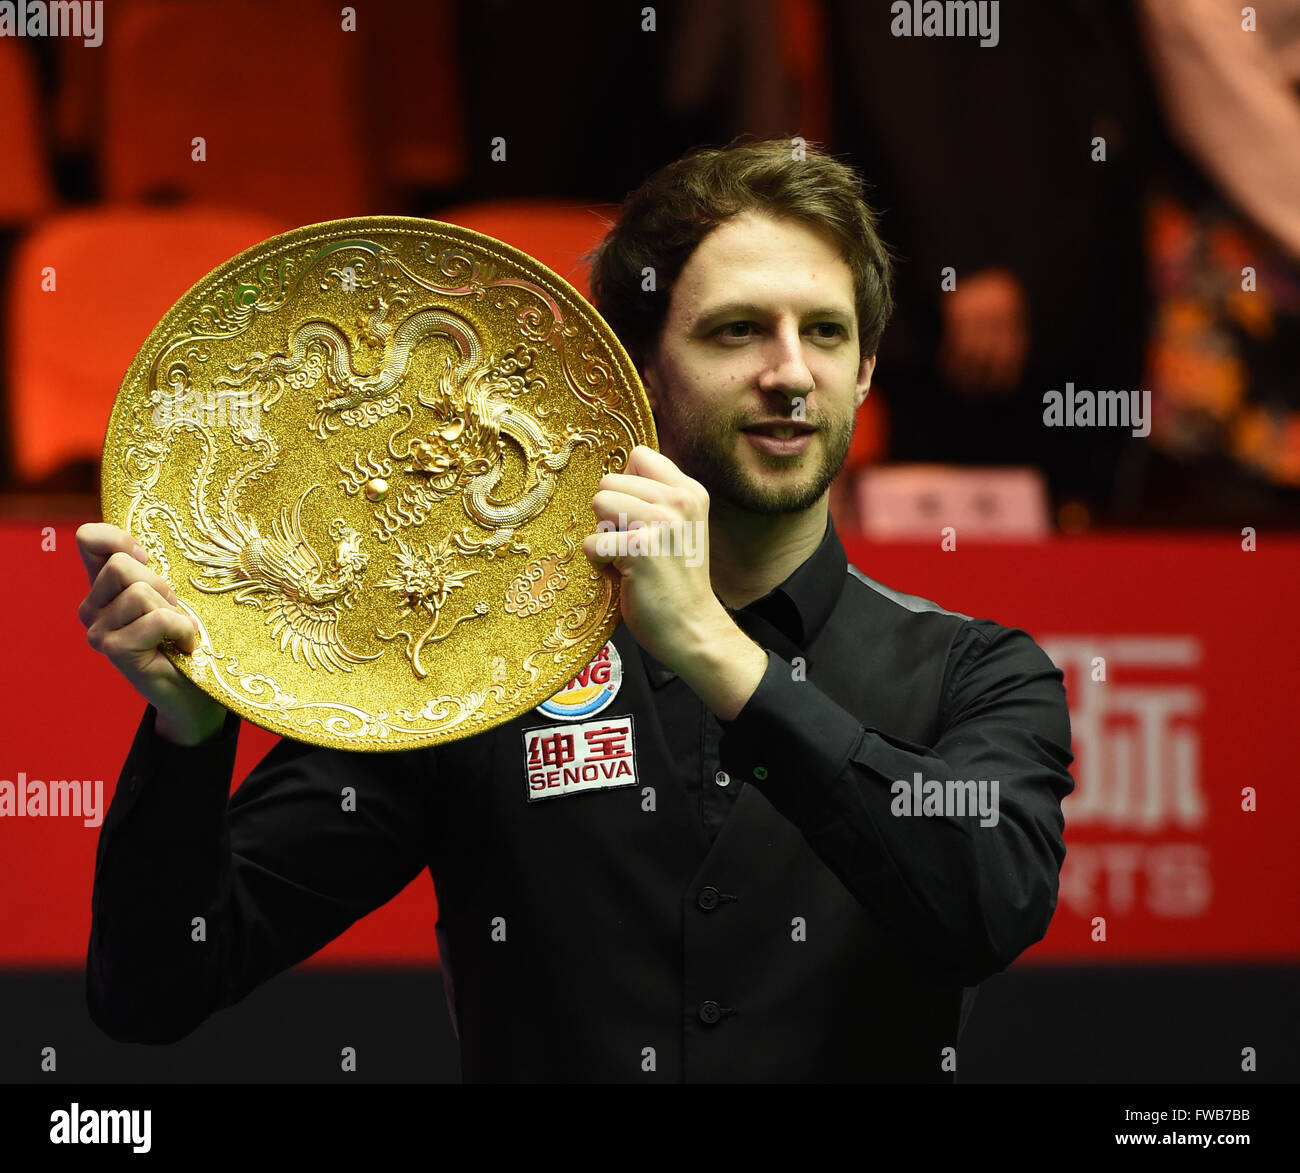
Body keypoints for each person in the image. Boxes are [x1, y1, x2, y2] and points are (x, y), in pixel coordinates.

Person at [76, 138, 1074, 1082]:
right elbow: (157, 987)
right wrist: (190, 733)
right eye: (736, 330)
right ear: (632, 365)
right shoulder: (474, 661)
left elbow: (984, 908)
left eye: (824, 333)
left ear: (863, 370)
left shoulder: (975, 674)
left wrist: (720, 659)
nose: (787, 373)